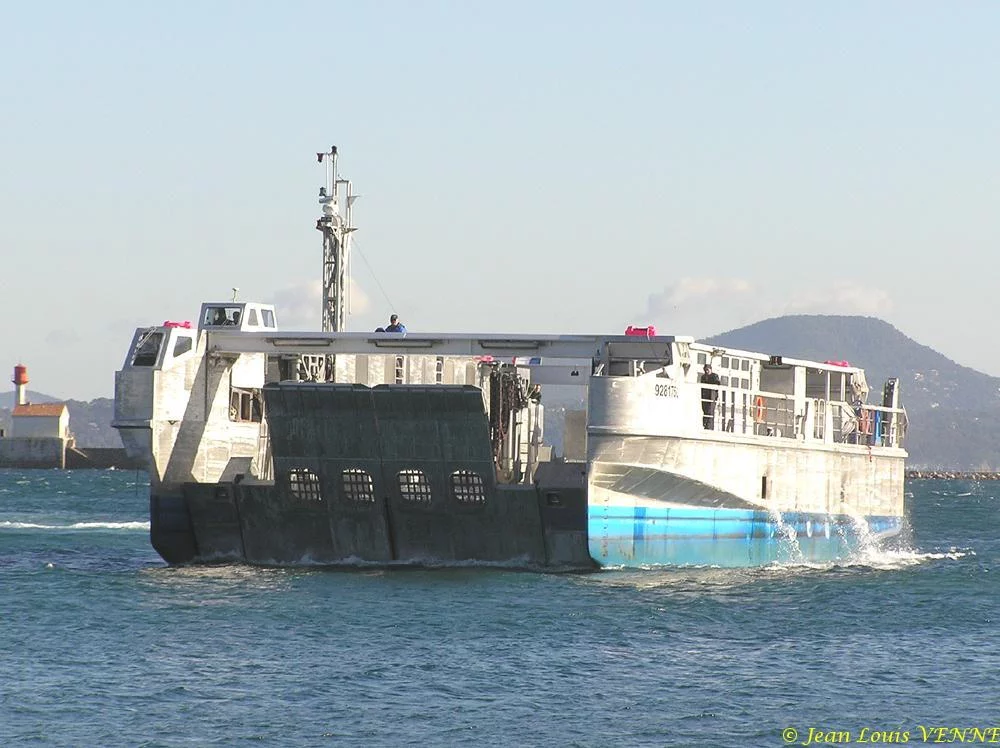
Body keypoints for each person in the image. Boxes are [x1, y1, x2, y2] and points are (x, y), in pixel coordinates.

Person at [699, 363, 720, 429]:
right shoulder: (703, 377)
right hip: (704, 396)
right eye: (705, 370)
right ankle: (705, 425)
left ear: (710, 369)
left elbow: (717, 384)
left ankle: (710, 426)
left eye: (707, 369)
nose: (706, 371)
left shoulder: (714, 376)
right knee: (705, 410)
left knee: (710, 411)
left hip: (712, 397)